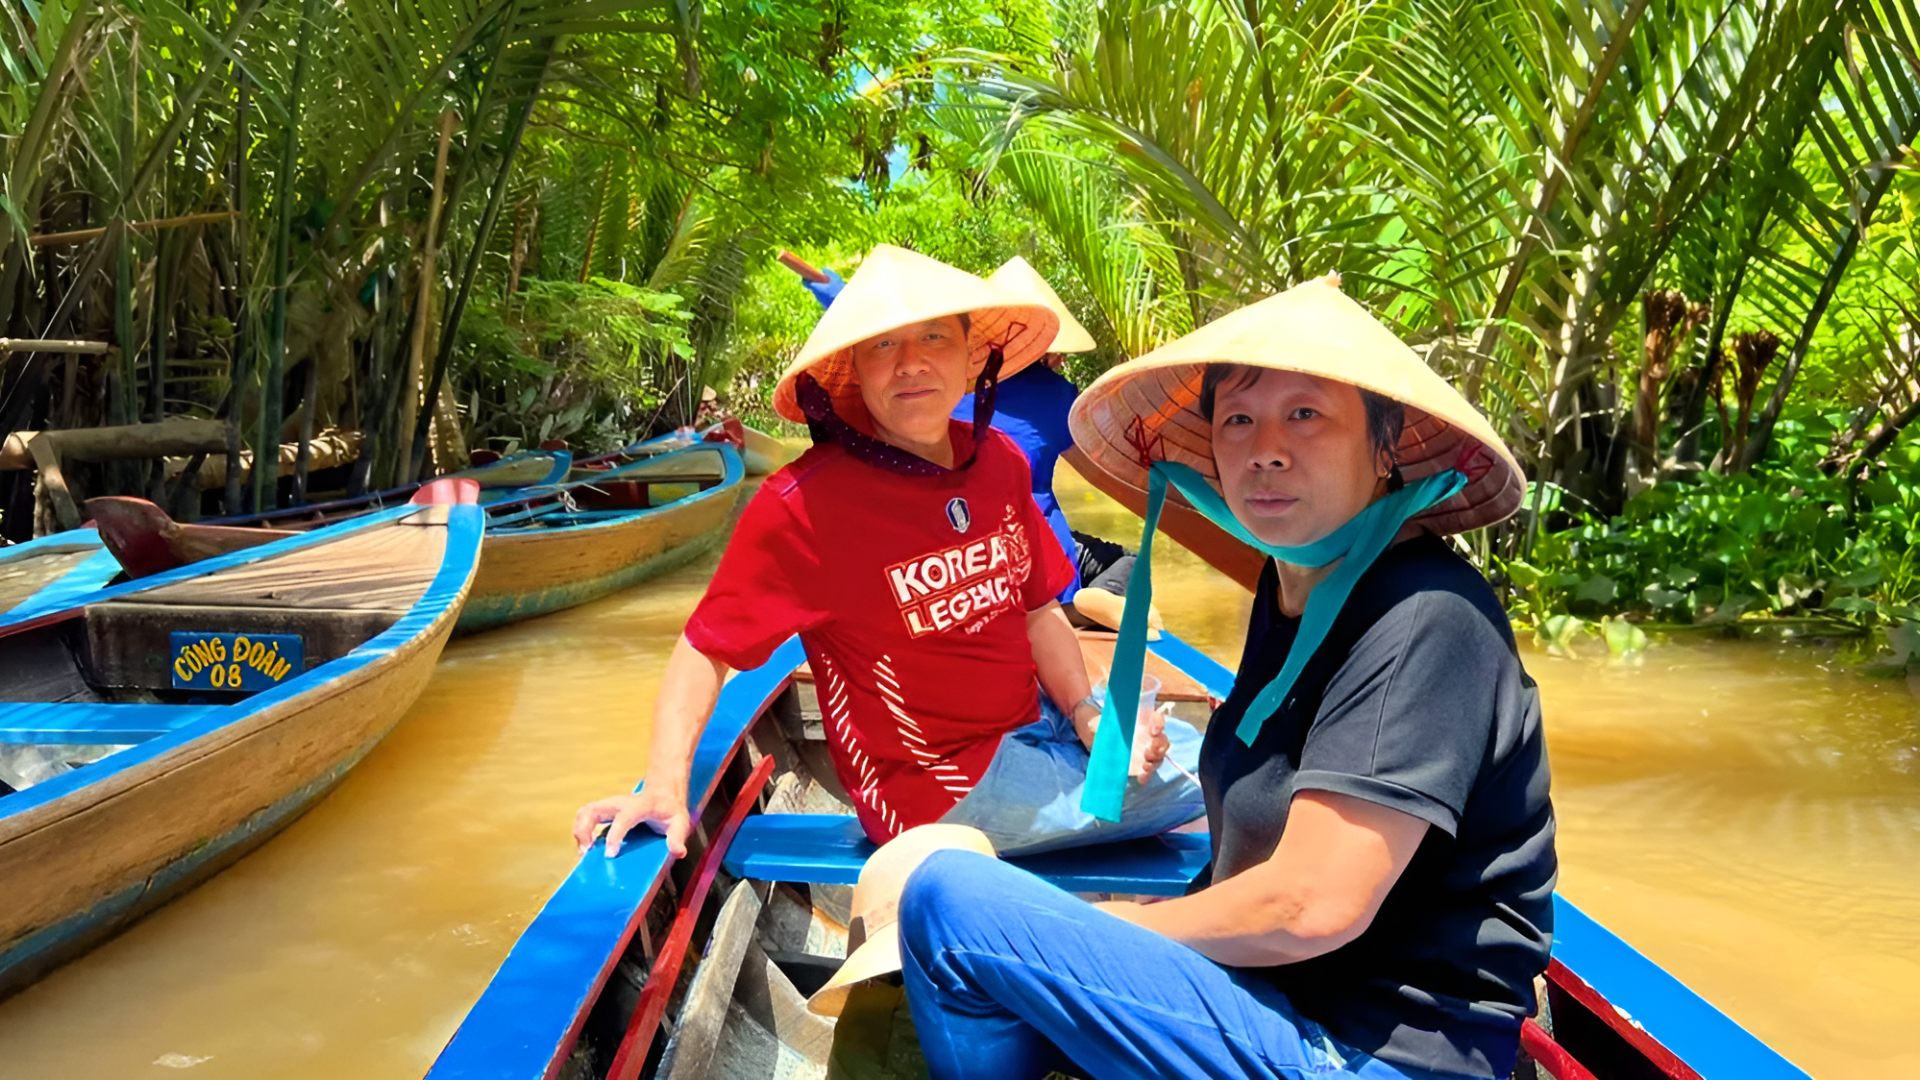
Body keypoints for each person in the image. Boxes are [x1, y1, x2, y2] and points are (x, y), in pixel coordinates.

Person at [894, 274, 1558, 1080]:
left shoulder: (1425, 614)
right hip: (1277, 1008)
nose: (1265, 447)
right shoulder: (1292, 587)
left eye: (1305, 414)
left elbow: (1312, 904)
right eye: (1238, 419)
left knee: (946, 902)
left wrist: (1123, 923)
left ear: (1385, 448)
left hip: (1365, 1056)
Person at [572, 245, 1205, 860]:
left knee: (1203, 748)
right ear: (854, 370)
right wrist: (663, 783)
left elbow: (1039, 612)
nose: (911, 364)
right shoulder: (803, 504)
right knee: (1226, 778)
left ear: (970, 359)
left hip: (1039, 725)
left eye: (935, 339)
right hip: (935, 789)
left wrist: (1087, 713)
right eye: (883, 345)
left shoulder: (1000, 462)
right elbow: (708, 647)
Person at [801, 254, 1157, 633]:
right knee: (1132, 561)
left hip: (953, 557)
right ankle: (1077, 606)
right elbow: (1106, 471)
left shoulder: (936, 388)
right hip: (1042, 555)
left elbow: (883, 326)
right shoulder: (1057, 396)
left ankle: (1069, 603)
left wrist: (835, 292)